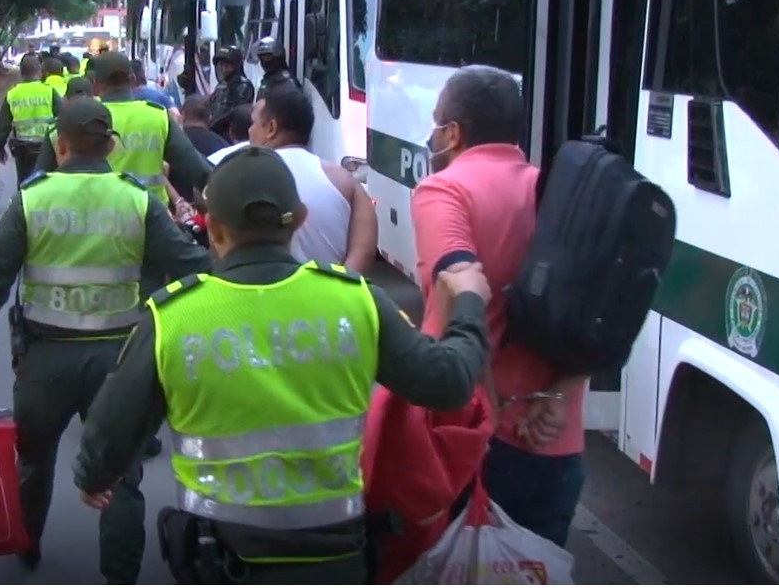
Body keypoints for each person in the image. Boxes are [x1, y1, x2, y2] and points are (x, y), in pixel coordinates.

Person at [72, 145, 492, 584]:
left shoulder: (173, 317)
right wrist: (468, 301)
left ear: (213, 230)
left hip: (220, 563)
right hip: (336, 563)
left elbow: (109, 431)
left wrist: (93, 478)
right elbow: (449, 383)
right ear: (301, 219)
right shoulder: (356, 302)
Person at [0, 96, 212, 580]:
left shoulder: (33, 198)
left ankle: (27, 547)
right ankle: (120, 574)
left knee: (34, 462)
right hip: (119, 361)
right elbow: (190, 265)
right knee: (122, 474)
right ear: (110, 146)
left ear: (60, 145)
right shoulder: (135, 199)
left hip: (44, 361)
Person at [413, 65, 588, 549]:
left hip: (468, 437)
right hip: (556, 440)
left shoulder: (444, 190)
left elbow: (461, 286)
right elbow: (603, 307)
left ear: (452, 132)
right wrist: (558, 393)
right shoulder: (560, 194)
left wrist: (499, 410)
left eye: (436, 120)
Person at [35, 51, 211, 210]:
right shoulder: (158, 118)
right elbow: (198, 170)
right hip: (150, 221)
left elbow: (38, 184)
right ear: (132, 79)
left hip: (94, 219)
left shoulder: (74, 121)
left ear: (95, 85)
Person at [250, 84, 378, 273]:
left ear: (271, 128)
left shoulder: (240, 176)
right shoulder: (344, 181)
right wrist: (339, 289)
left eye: (252, 123)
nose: (249, 131)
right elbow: (364, 249)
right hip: (328, 297)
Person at [0, 53, 61, 187]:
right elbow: (64, 117)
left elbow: (3, 126)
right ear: (40, 71)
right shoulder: (49, 91)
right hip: (47, 147)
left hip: (22, 149)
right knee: (48, 183)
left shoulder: (12, 94)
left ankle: (24, 205)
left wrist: (0, 148)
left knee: (24, 182)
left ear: (21, 73)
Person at [205, 45, 255, 135]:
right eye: (221, 65)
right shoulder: (221, 85)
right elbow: (211, 104)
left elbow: (234, 112)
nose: (224, 69)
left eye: (227, 65)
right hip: (215, 132)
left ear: (236, 65)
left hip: (231, 134)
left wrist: (213, 126)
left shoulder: (243, 85)